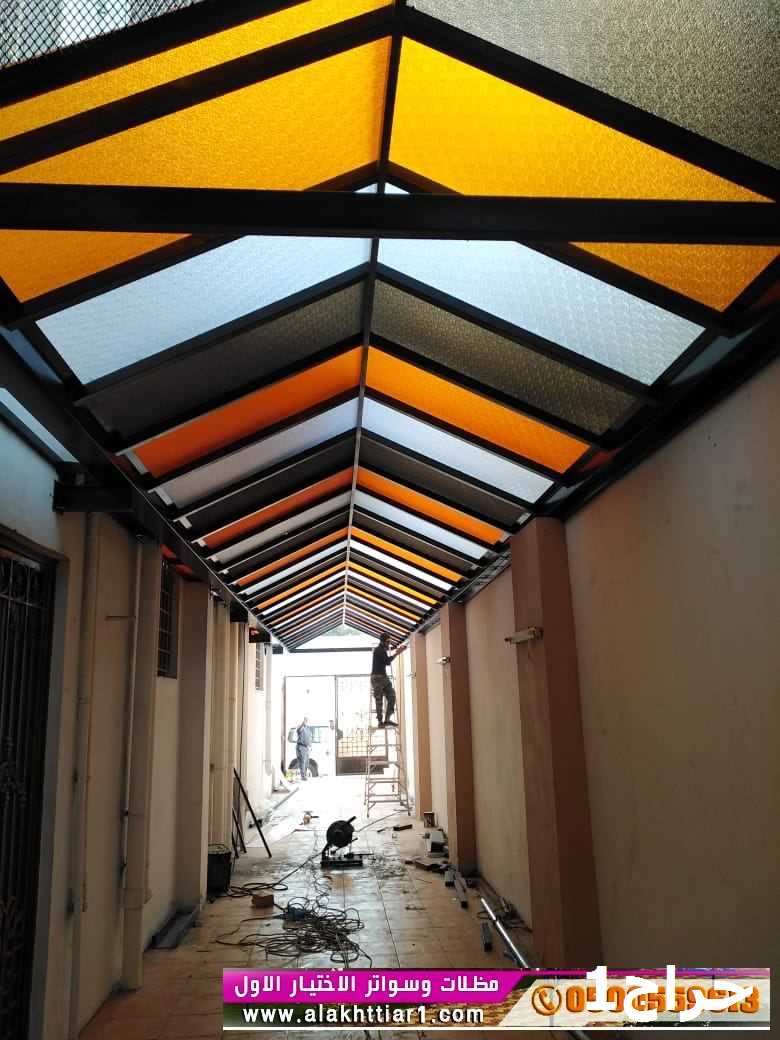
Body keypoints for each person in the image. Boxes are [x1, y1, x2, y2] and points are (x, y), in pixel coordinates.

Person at [370, 633, 406, 728]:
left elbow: (386, 660)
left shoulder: (382, 650)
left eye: (389, 641)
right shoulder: (379, 650)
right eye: (388, 641)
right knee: (379, 700)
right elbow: (387, 661)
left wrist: (397, 651)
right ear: (382, 641)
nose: (389, 643)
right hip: (377, 678)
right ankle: (380, 722)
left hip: (383, 677)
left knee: (392, 696)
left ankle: (387, 720)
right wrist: (397, 653)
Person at [296, 716, 312, 781]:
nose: (306, 721)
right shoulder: (301, 727)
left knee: (307, 762)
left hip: (307, 747)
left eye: (306, 720)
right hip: (301, 746)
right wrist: (302, 723)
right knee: (302, 761)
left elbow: (309, 738)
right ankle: (303, 776)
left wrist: (310, 746)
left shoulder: (308, 729)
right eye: (305, 720)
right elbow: (298, 730)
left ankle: (304, 774)